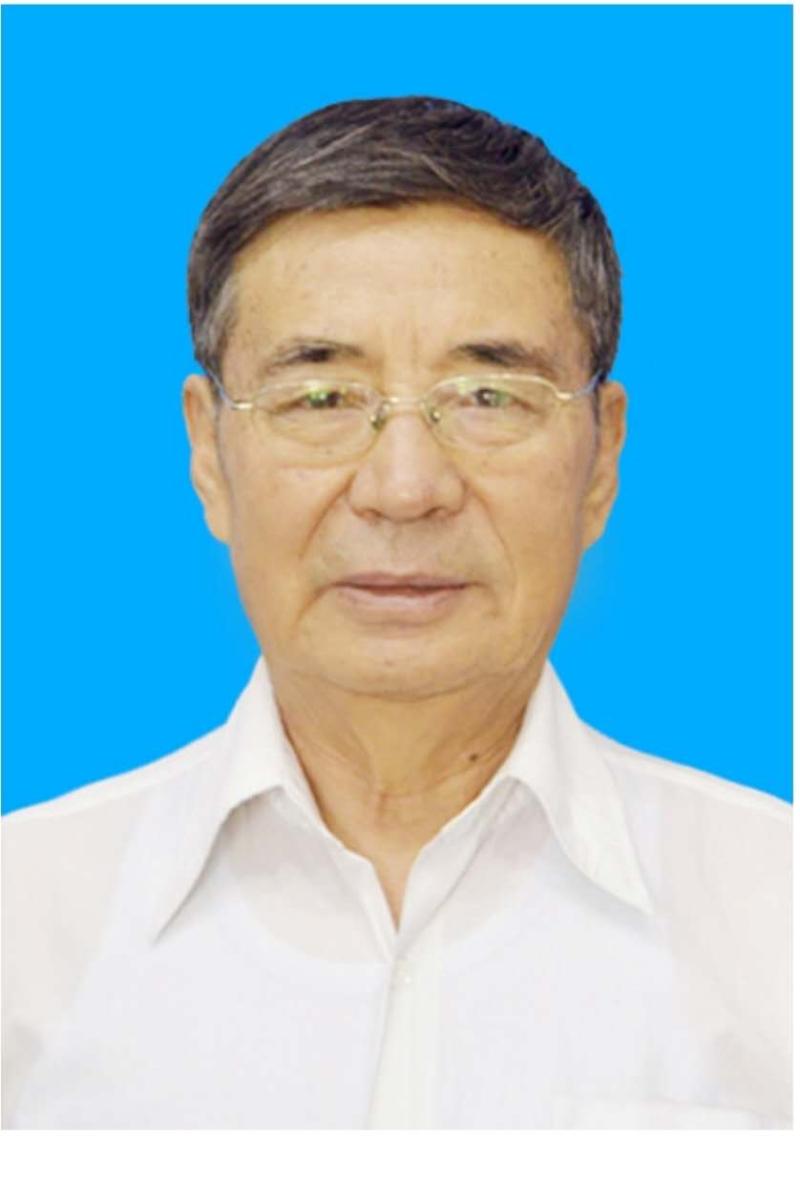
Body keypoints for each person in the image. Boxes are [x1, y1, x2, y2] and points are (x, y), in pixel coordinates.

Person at [2, 97, 790, 1130]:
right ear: (208, 454)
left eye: (487, 398)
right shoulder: (26, 926)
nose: (405, 488)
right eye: (321, 400)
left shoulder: (773, 921)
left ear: (601, 457)